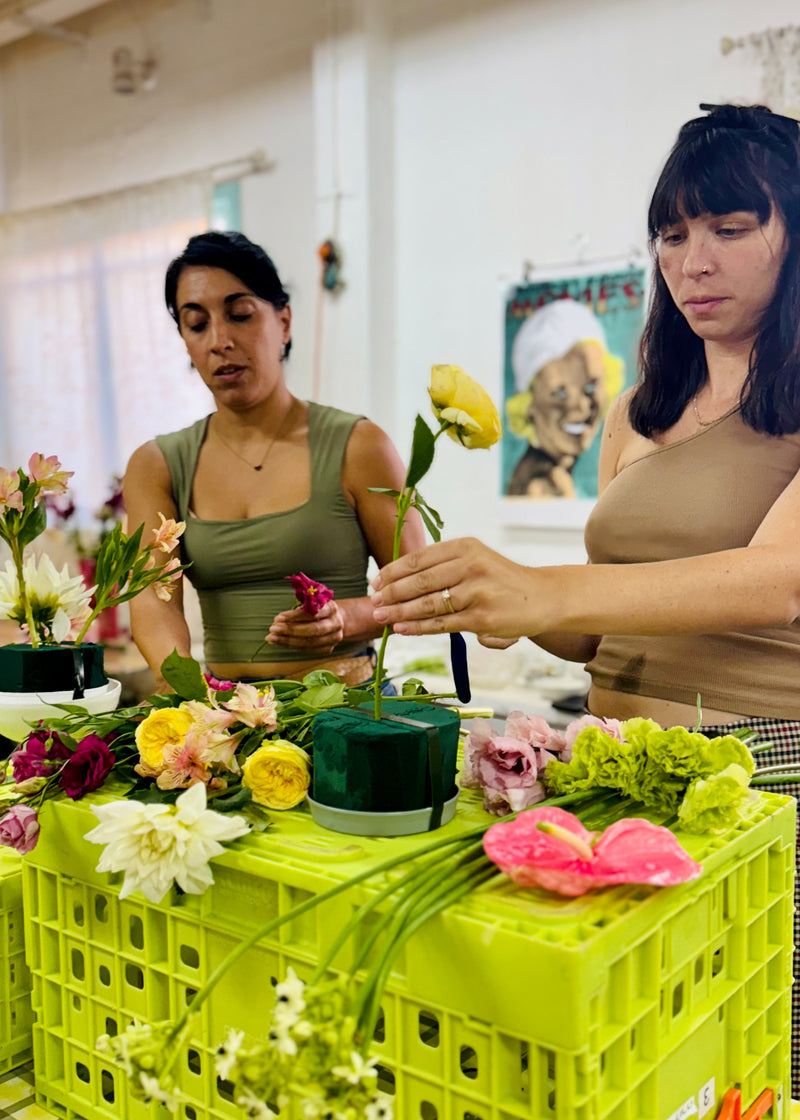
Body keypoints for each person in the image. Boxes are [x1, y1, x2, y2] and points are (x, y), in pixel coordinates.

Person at [370, 103, 800, 1091]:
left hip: (763, 772)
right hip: (617, 770)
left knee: (755, 1062)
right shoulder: (634, 408)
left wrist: (542, 584)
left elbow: (778, 583)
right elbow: (600, 622)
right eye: (671, 232)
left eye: (729, 229)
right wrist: (481, 595)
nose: (691, 261)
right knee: (645, 1062)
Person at [124, 230, 423, 692]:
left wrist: (346, 616)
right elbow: (153, 600)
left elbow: (422, 591)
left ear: (284, 321)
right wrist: (190, 695)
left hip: (344, 714)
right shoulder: (157, 464)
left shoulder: (359, 446)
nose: (220, 340)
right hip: (223, 723)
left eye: (240, 314)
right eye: (197, 324)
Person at [505, 299, 623, 498]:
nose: (582, 406)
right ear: (528, 404)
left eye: (591, 386)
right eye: (560, 393)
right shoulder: (547, 486)